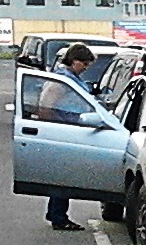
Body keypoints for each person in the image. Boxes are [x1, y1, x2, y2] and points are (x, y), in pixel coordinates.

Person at [40, 43, 97, 231]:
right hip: (65, 130)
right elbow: (46, 108)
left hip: (70, 128)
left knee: (63, 173)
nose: (87, 68)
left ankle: (55, 212)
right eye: (85, 63)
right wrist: (60, 127)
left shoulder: (68, 77)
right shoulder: (61, 81)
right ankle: (59, 216)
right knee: (64, 175)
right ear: (74, 61)